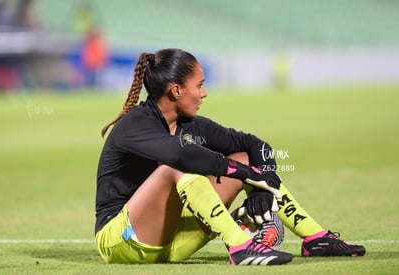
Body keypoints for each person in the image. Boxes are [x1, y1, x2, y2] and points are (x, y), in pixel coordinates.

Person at [95, 48, 365, 266]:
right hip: (122, 240)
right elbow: (180, 155)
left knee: (244, 158)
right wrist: (247, 175)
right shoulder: (135, 123)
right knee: (175, 168)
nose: (204, 93)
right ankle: (241, 244)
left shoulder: (191, 124)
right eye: (199, 86)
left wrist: (261, 187)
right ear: (176, 90)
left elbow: (255, 144)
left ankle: (315, 238)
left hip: (173, 244)